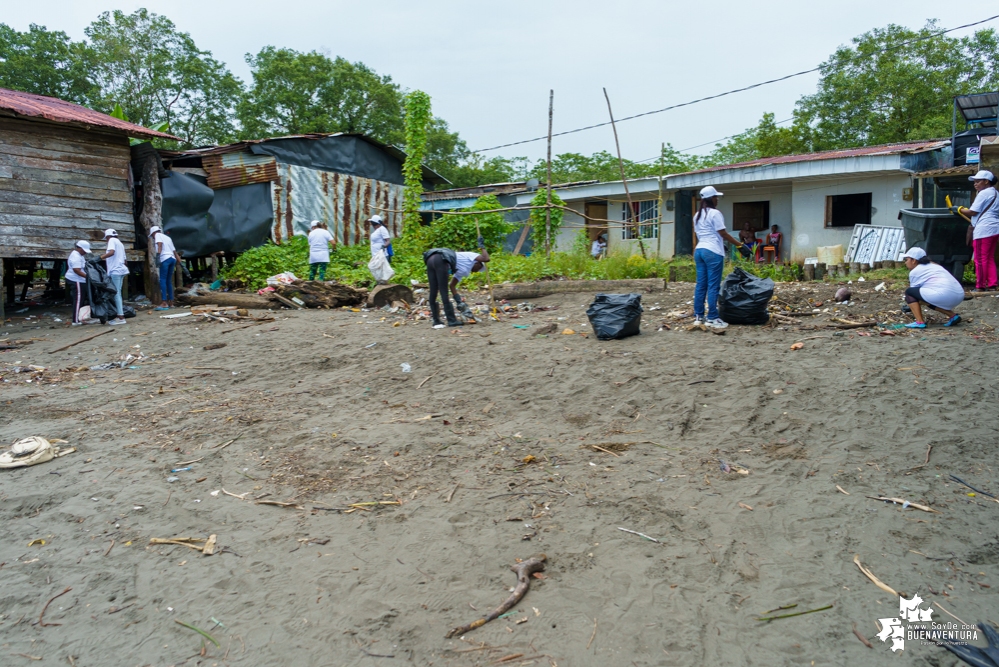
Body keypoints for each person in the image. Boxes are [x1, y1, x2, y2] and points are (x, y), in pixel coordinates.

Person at [693, 186, 748, 329]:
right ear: (711, 198)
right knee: (713, 285)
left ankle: (699, 317)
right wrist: (739, 245)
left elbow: (701, 234)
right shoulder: (715, 213)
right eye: (716, 197)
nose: (717, 199)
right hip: (712, 251)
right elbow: (723, 233)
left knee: (701, 285)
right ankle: (712, 317)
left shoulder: (697, 215)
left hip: (699, 250)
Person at [422, 247, 490, 328]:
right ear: (478, 263)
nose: (475, 271)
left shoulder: (463, 270)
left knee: (433, 291)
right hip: (441, 259)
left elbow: (452, 285)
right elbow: (486, 258)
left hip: (431, 259)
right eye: (478, 268)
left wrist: (459, 302)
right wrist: (482, 247)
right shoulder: (472, 256)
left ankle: (436, 321)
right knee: (444, 292)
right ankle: (451, 320)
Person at [955, 170, 999, 291]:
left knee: (980, 259)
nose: (975, 184)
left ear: (986, 181)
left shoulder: (984, 193)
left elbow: (972, 212)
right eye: (974, 182)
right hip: (994, 229)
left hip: (983, 230)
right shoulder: (995, 193)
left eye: (978, 181)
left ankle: (980, 286)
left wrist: (958, 209)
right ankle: (992, 284)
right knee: (989, 258)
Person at [901, 247, 963, 328]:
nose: (905, 262)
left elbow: (913, 295)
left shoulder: (915, 271)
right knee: (927, 298)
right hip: (959, 295)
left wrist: (910, 306)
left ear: (914, 260)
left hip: (944, 295)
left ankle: (919, 322)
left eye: (906, 259)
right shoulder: (934, 266)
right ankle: (953, 316)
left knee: (909, 292)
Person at [99, 229, 128, 325]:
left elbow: (111, 252)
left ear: (108, 236)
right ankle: (119, 315)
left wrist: (100, 257)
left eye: (106, 238)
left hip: (115, 270)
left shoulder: (112, 240)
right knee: (117, 293)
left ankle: (120, 317)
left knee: (116, 293)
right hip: (121, 269)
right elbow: (125, 260)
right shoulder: (120, 243)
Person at [149, 225, 181, 311]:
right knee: (168, 281)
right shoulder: (168, 238)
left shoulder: (157, 235)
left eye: (152, 235)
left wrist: (158, 256)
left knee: (162, 280)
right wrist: (181, 264)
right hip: (172, 259)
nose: (152, 237)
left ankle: (164, 302)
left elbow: (160, 245)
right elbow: (174, 252)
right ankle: (171, 302)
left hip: (165, 259)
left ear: (153, 233)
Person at [65, 240, 94, 326]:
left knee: (81, 299)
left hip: (80, 279)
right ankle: (75, 320)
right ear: (79, 248)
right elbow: (76, 270)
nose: (85, 252)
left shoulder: (80, 255)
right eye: (84, 250)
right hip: (76, 279)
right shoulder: (76, 256)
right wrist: (88, 277)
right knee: (78, 299)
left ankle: (78, 317)